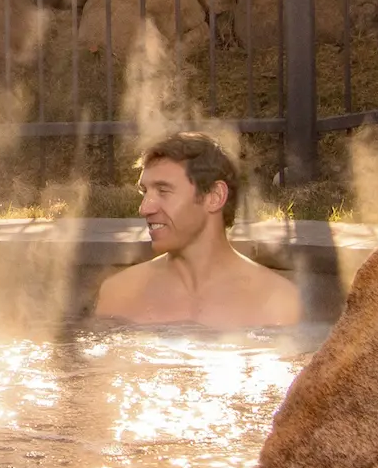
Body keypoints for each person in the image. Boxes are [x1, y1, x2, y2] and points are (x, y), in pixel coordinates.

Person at [93, 132, 302, 328]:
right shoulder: (119, 295)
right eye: (145, 192)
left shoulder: (278, 302)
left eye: (163, 191)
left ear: (214, 197)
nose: (144, 208)